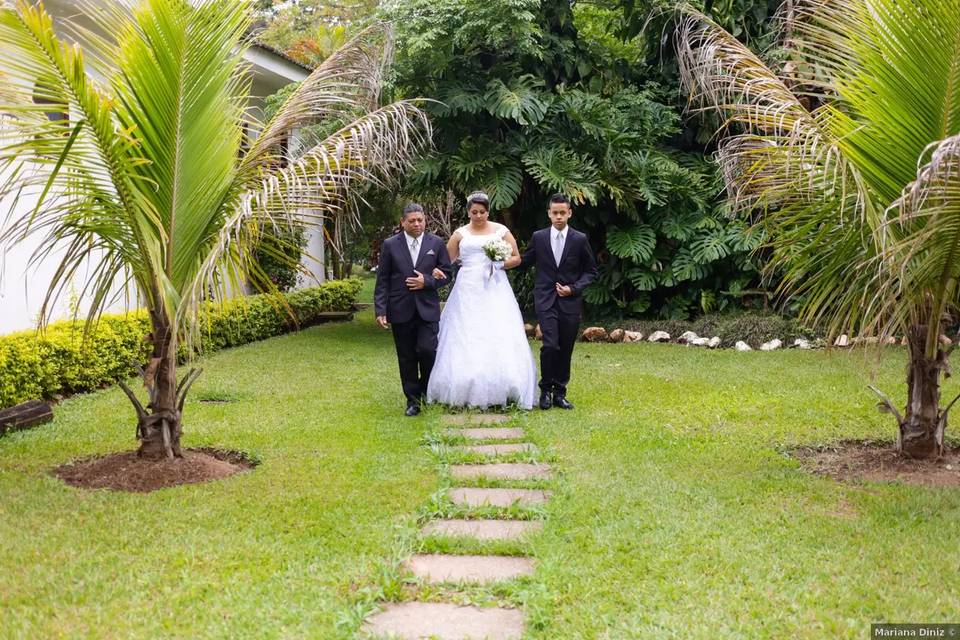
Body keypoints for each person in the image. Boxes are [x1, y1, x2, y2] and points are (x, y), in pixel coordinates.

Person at [426, 191, 537, 409]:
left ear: (488, 211)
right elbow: (446, 261)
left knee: (496, 330)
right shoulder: (459, 234)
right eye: (474, 212)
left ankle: (505, 385)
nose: (478, 216)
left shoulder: (500, 231)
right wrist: (436, 272)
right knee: (466, 332)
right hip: (467, 287)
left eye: (482, 212)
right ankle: (460, 385)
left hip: (495, 286)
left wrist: (499, 263)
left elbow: (516, 258)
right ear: (468, 212)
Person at [515, 193, 597, 410]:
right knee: (550, 345)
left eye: (563, 213)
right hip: (545, 299)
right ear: (549, 213)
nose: (559, 216)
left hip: (569, 302)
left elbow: (590, 271)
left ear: (569, 213)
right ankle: (545, 391)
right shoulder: (539, 237)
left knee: (566, 347)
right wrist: (501, 259)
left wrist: (573, 288)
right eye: (555, 213)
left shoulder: (579, 239)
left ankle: (560, 392)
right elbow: (525, 260)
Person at [375, 203, 453, 416]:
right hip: (400, 309)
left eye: (420, 220)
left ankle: (426, 390)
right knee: (407, 356)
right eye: (412, 221)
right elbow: (382, 280)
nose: (417, 224)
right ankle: (413, 400)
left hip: (427, 308)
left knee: (428, 351)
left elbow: (447, 273)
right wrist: (380, 310)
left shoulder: (435, 243)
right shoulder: (390, 245)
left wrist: (427, 281)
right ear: (403, 222)